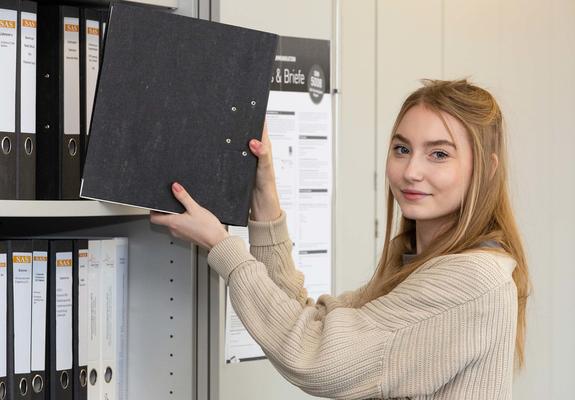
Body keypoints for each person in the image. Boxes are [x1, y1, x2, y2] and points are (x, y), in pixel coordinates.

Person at [150, 79, 531, 399]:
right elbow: (310, 322)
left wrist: (222, 247)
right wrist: (265, 196)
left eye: (439, 154)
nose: (412, 171)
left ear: (487, 168)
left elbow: (317, 357)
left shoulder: (472, 278)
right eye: (402, 149)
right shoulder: (417, 261)